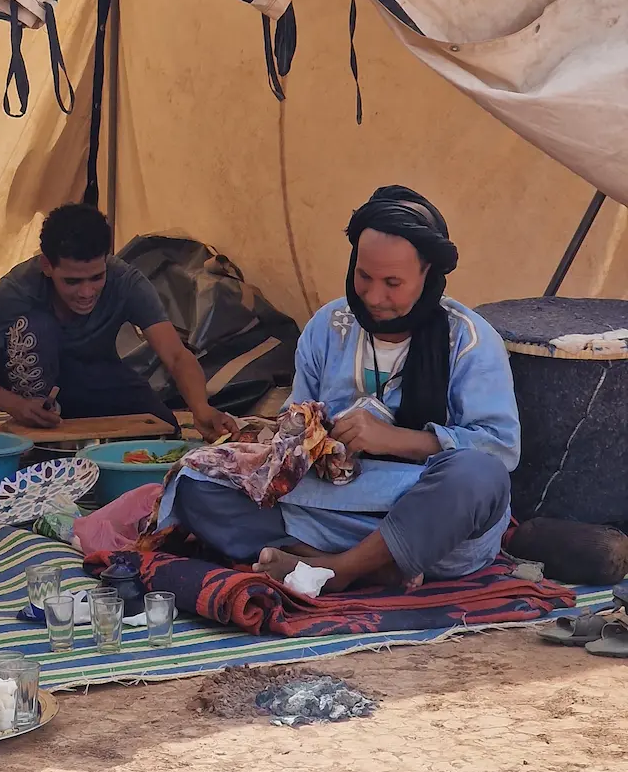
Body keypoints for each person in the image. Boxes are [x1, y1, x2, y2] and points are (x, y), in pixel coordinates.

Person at [165, 186, 520, 591]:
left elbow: (500, 450)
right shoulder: (327, 327)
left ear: (429, 277)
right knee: (194, 480)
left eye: (393, 282)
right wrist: (289, 438)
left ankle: (339, 572)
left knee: (479, 476)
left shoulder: (470, 341)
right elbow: (297, 425)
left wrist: (394, 439)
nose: (374, 297)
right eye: (364, 276)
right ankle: (364, 565)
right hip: (330, 504)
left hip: (426, 515)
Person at [0, 203, 236, 442]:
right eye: (72, 281)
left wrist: (201, 409)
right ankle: (38, 434)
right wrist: (15, 405)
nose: (86, 293)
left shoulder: (126, 281)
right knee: (37, 329)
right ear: (47, 266)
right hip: (25, 378)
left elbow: (175, 355)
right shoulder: (16, 290)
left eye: (96, 278)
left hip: (88, 372)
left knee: (163, 429)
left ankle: (67, 421)